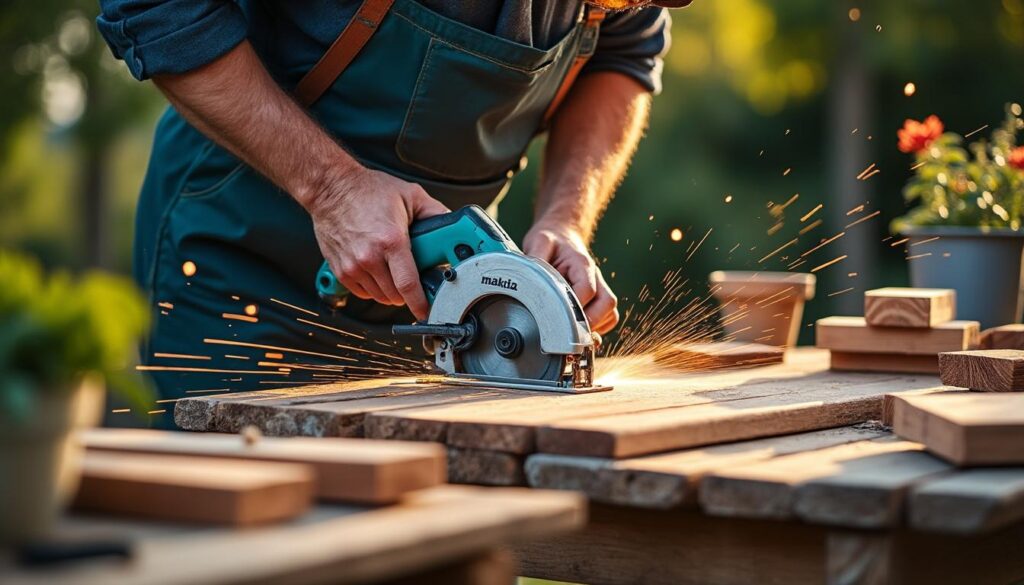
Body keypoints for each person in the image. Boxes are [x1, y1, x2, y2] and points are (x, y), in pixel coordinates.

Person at [96, 0, 690, 427]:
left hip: (451, 305)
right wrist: (331, 189)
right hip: (241, 254)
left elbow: (625, 53)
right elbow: (158, 8)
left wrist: (566, 217)